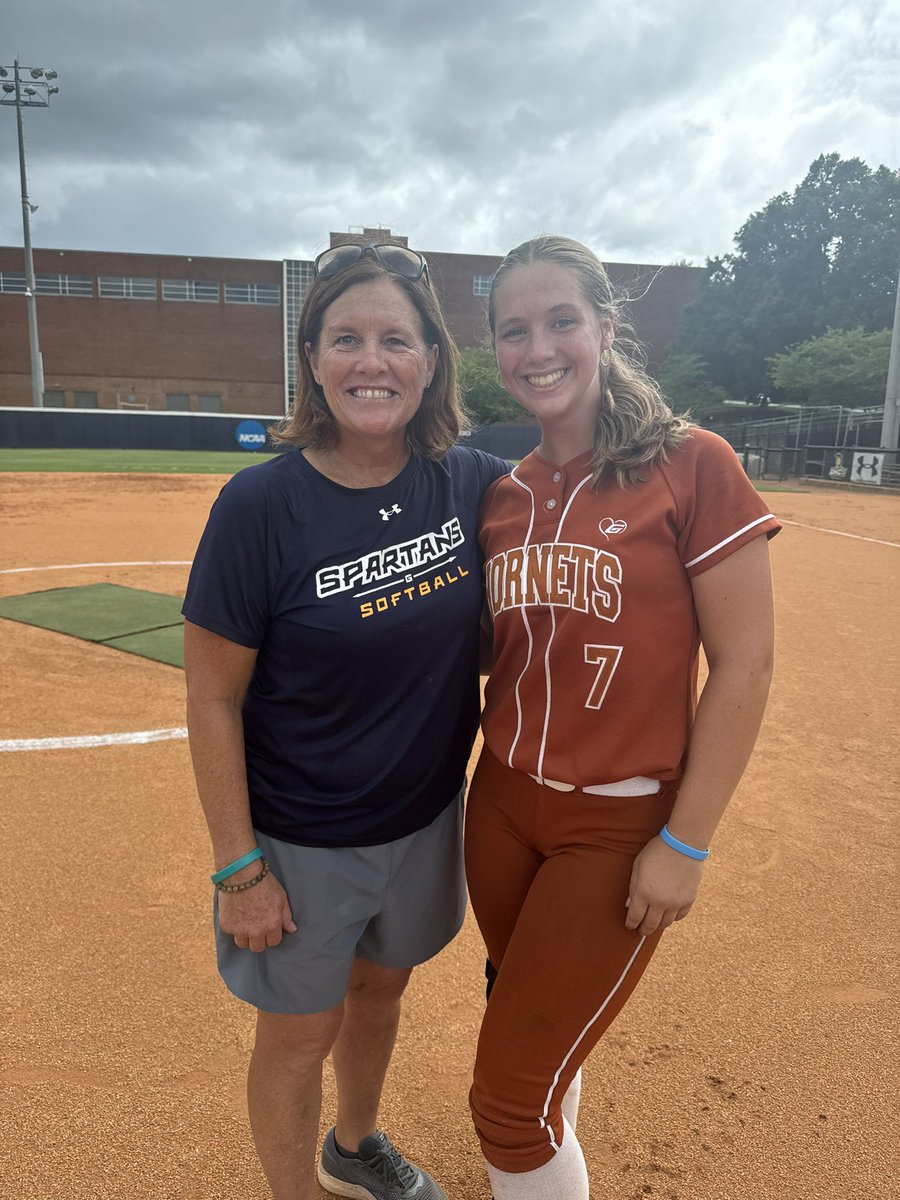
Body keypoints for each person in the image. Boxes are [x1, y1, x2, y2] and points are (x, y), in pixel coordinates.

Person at [182, 241, 508, 1200]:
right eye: (348, 339)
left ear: (432, 360)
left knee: (382, 991)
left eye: (396, 340)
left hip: (423, 820)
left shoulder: (472, 484)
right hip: (301, 839)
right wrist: (240, 867)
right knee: (297, 1034)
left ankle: (354, 1145)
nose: (374, 362)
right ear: (315, 361)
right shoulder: (260, 506)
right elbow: (210, 695)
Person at [464, 235, 780, 1199]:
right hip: (503, 807)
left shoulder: (692, 464)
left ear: (606, 326)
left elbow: (745, 663)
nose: (539, 347)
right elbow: (492, 657)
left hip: (619, 821)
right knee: (526, 1016)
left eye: (561, 320)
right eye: (515, 329)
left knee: (508, 1102)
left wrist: (685, 844)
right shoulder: (502, 496)